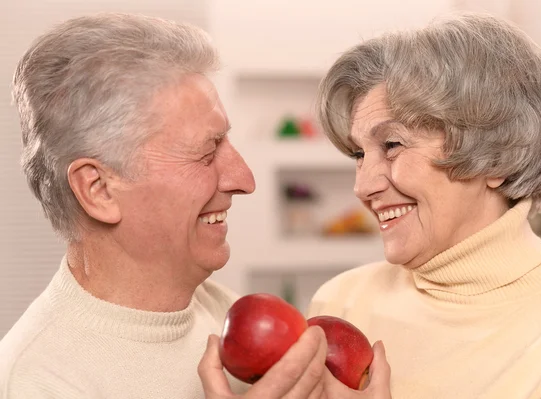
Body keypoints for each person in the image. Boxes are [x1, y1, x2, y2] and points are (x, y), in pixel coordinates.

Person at [0, 13, 391, 399]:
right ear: (99, 189)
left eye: (227, 141)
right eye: (207, 153)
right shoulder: (37, 383)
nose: (244, 180)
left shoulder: (230, 314)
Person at [306, 12, 541, 399]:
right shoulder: (340, 301)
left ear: (499, 156)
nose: (362, 186)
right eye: (360, 153)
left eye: (392, 145)